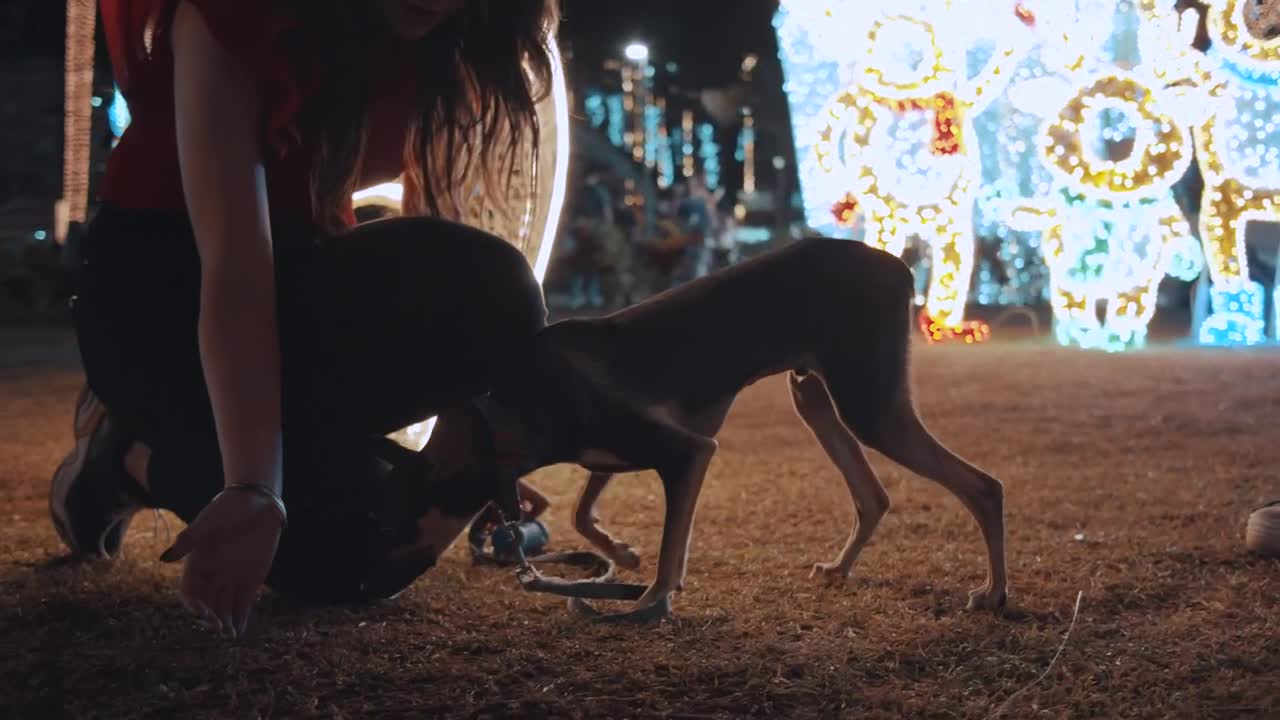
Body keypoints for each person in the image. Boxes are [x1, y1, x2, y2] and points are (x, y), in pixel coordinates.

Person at [50, 0, 561, 638]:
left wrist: (476, 459)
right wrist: (253, 487)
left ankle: (278, 460)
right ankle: (125, 457)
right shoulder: (232, 16)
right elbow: (235, 262)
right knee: (340, 558)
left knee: (497, 290)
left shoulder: (437, 41)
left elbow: (428, 252)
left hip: (300, 277)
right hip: (160, 304)